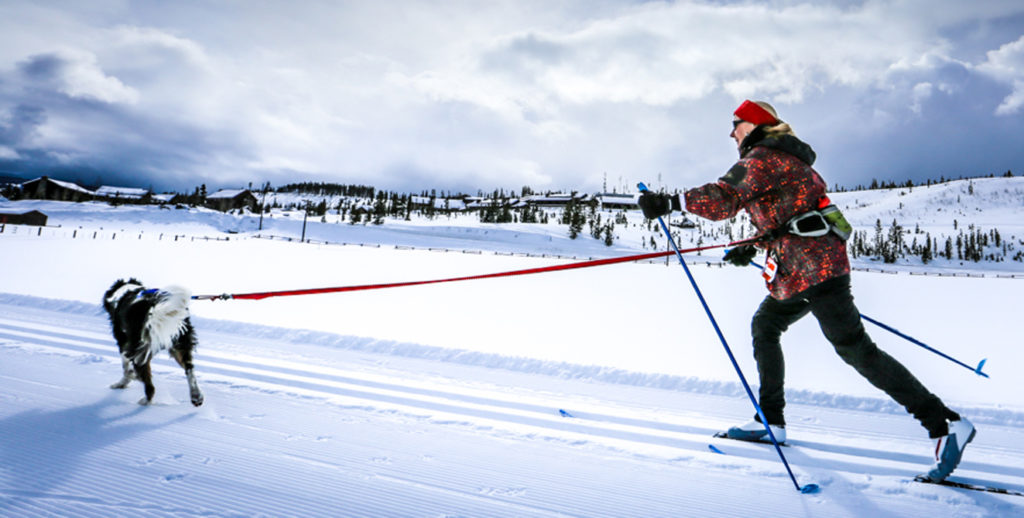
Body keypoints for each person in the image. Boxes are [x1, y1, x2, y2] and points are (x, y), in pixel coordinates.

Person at [637, 99, 973, 482]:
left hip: (815, 271)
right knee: (766, 325)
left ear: (756, 124)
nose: (731, 133)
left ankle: (945, 424)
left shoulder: (763, 158)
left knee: (855, 349)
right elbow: (790, 216)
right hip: (803, 271)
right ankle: (771, 421)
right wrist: (754, 244)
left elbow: (725, 198)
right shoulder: (790, 159)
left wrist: (671, 202)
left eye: (736, 124)